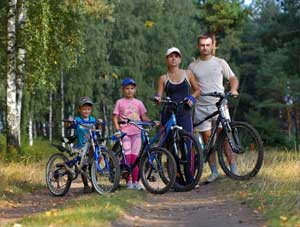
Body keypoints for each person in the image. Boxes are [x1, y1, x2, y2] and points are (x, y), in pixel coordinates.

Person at [188, 34, 239, 183]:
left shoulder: (220, 62)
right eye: (202, 45)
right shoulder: (192, 66)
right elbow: (190, 85)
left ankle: (233, 169)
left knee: (225, 138)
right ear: (199, 47)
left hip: (220, 105)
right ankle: (214, 172)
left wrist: (234, 89)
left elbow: (233, 78)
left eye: (208, 45)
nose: (205, 48)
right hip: (201, 107)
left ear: (212, 46)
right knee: (207, 140)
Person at [155, 47, 200, 184]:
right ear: (166, 60)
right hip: (169, 114)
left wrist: (192, 98)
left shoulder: (188, 74)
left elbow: (198, 90)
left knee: (187, 145)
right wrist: (157, 98)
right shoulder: (163, 78)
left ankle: (190, 177)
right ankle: (177, 179)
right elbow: (159, 95)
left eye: (176, 56)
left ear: (180, 59)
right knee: (171, 148)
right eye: (170, 56)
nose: (173, 58)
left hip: (184, 113)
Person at [112, 78, 151, 190]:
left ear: (135, 89)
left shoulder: (139, 103)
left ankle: (136, 182)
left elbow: (143, 117)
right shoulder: (120, 102)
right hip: (125, 133)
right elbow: (115, 117)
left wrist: (151, 121)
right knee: (128, 157)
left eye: (132, 88)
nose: (129, 91)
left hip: (137, 132)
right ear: (123, 90)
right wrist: (117, 129)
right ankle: (128, 181)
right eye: (127, 88)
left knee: (135, 158)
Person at [67, 96, 97, 193]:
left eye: (88, 109)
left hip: (91, 146)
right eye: (84, 109)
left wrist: (100, 122)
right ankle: (86, 186)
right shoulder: (78, 119)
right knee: (83, 167)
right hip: (81, 146)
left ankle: (95, 185)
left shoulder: (93, 119)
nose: (86, 111)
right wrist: (70, 122)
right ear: (79, 109)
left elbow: (97, 128)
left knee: (93, 165)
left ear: (91, 110)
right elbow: (69, 126)